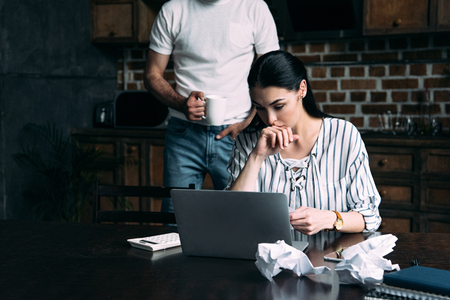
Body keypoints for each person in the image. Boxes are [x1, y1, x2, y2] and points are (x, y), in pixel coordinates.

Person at [143, 0, 279, 213]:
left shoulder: (254, 7)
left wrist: (249, 122)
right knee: (175, 218)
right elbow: (152, 74)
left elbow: (272, 74)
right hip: (183, 134)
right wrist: (181, 103)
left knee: (240, 217)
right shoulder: (173, 9)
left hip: (237, 136)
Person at [226, 50, 381, 235]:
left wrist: (327, 218)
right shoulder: (248, 141)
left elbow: (369, 216)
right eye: (260, 108)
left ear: (302, 89)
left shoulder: (343, 135)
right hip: (267, 258)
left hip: (330, 257)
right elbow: (233, 217)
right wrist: (257, 157)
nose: (270, 119)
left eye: (279, 106)